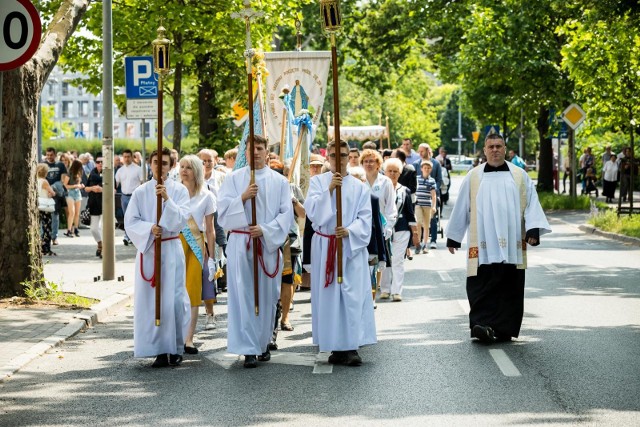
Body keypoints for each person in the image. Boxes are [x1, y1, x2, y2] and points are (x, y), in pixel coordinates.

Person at [446, 133, 551, 343]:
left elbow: (532, 203)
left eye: (499, 146)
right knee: (481, 284)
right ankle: (480, 325)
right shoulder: (474, 176)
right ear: (484, 150)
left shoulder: (520, 176)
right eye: (491, 146)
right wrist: (453, 237)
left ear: (505, 149)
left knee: (509, 285)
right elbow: (461, 208)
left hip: (512, 242)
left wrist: (533, 230)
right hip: (483, 243)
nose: (495, 150)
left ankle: (503, 329)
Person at [217, 135, 294, 368]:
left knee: (267, 296)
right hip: (241, 242)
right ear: (246, 153)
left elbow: (286, 214)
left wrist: (265, 229)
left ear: (267, 152)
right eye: (251, 150)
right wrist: (242, 197)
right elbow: (222, 213)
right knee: (243, 295)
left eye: (260, 149)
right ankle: (247, 348)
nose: (256, 153)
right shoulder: (233, 179)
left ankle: (262, 344)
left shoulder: (279, 182)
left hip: (266, 243)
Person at [304, 139, 376, 366]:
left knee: (351, 297)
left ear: (348, 157)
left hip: (350, 248)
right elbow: (313, 213)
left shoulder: (360, 187)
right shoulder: (318, 182)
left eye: (343, 155)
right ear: (329, 158)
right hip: (325, 246)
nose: (339, 159)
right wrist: (329, 190)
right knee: (329, 298)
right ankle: (334, 345)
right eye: (334, 155)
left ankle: (351, 346)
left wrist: (350, 230)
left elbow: (366, 219)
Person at [124, 147, 191, 368]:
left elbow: (181, 219)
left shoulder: (179, 191)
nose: (159, 166)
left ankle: (176, 347)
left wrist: (167, 199)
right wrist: (149, 228)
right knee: (152, 302)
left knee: (174, 300)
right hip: (150, 250)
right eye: (155, 162)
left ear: (171, 166)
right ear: (149, 164)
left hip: (171, 250)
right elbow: (131, 221)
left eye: (164, 163)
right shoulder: (140, 192)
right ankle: (158, 350)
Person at [179, 155, 217, 354]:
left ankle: (189, 338)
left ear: (197, 171)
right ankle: (175, 335)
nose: (184, 170)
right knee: (175, 290)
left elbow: (209, 229)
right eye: (182, 167)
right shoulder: (174, 192)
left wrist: (211, 257)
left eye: (189, 167)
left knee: (193, 290)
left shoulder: (207, 196)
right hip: (175, 243)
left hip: (195, 245)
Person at [380, 158, 419, 301]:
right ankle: (384, 289)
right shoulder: (380, 188)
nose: (392, 174)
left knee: (397, 260)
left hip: (402, 229)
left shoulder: (405, 191)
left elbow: (410, 213)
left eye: (395, 171)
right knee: (385, 260)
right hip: (384, 228)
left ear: (400, 173)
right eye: (389, 171)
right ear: (384, 172)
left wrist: (415, 233)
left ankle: (397, 291)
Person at [115, 149, 143, 246]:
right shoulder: (120, 170)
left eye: (128, 156)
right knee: (126, 217)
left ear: (132, 157)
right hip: (124, 196)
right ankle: (127, 236)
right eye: (125, 157)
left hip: (134, 196)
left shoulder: (138, 169)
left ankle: (132, 236)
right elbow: (116, 183)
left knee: (133, 217)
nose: (126, 159)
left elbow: (143, 182)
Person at [44, 147, 68, 245]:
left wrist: (53, 189)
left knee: (55, 216)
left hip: (56, 194)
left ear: (54, 155)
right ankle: (44, 237)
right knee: (44, 216)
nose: (49, 157)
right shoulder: (43, 164)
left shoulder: (60, 165)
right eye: (48, 155)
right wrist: (47, 190)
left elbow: (62, 180)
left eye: (51, 155)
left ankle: (54, 237)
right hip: (45, 193)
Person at [415, 161, 437, 255]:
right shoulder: (416, 179)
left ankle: (425, 244)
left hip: (427, 205)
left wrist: (434, 206)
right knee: (418, 223)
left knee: (426, 226)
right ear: (421, 169)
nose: (426, 169)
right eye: (425, 168)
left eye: (428, 168)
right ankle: (418, 244)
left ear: (431, 170)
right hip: (418, 204)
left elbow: (433, 195)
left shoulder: (431, 180)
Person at [85, 157, 104, 257]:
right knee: (93, 229)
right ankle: (100, 244)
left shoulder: (109, 174)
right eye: (98, 162)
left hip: (105, 205)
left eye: (102, 162)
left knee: (103, 228)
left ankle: (104, 249)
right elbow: (86, 188)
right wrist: (92, 188)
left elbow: (113, 190)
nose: (100, 163)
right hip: (93, 204)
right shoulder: (92, 174)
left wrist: (101, 189)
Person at [37, 164, 56, 256]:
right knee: (47, 228)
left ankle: (38, 246)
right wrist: (52, 193)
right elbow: (52, 192)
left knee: (38, 226)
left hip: (38, 205)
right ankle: (46, 248)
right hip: (45, 207)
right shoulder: (44, 182)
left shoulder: (36, 181)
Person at [62, 159, 84, 238]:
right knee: (72, 212)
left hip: (77, 193)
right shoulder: (69, 174)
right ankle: (69, 230)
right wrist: (75, 186)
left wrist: (80, 186)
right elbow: (65, 185)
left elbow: (78, 184)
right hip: (70, 193)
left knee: (77, 213)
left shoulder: (79, 173)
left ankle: (76, 229)